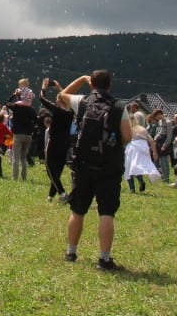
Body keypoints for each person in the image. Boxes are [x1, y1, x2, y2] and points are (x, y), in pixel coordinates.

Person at [61, 70, 131, 270]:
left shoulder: (82, 101)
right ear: (110, 85)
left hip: (84, 164)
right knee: (106, 213)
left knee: (78, 210)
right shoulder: (119, 107)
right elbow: (127, 136)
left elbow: (61, 95)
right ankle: (104, 258)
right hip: (109, 167)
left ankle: (71, 252)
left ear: (92, 84)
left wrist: (82, 80)